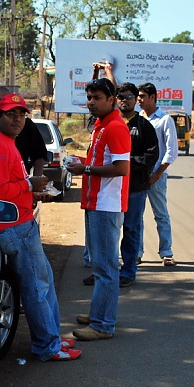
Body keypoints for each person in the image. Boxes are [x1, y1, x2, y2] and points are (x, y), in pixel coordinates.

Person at [0, 94, 80, 361]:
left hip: (21, 222)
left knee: (43, 283)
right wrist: (29, 185)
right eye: (11, 114)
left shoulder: (5, 142)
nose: (17, 119)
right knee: (37, 287)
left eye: (22, 114)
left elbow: (7, 186)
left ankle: (52, 339)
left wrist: (32, 192)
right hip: (15, 227)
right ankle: (47, 346)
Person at [66, 78, 130, 341]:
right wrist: (80, 162)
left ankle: (104, 325)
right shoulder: (101, 126)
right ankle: (98, 315)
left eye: (97, 98)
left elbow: (121, 169)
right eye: (89, 97)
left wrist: (86, 169)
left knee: (105, 268)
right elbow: (98, 161)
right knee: (99, 266)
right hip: (96, 203)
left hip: (107, 205)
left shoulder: (115, 127)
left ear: (111, 99)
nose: (91, 102)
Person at [116, 82, 159, 288]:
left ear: (136, 100)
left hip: (134, 188)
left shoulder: (144, 126)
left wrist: (126, 165)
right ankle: (104, 271)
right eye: (121, 96)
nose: (125, 99)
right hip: (110, 188)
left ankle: (128, 272)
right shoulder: (109, 123)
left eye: (129, 96)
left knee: (131, 230)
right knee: (108, 231)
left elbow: (152, 155)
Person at [137, 82, 178, 267]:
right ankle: (137, 253)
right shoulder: (137, 118)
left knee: (161, 214)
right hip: (138, 175)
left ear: (153, 97)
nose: (139, 100)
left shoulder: (164, 119)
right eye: (138, 97)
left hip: (156, 176)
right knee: (136, 216)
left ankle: (166, 252)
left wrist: (158, 173)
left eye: (142, 97)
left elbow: (171, 151)